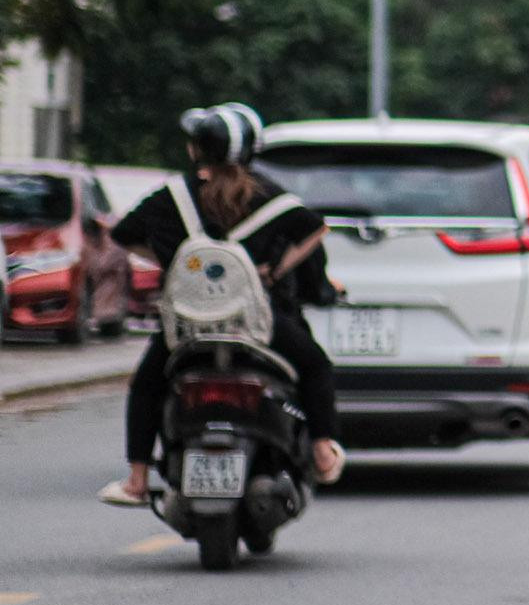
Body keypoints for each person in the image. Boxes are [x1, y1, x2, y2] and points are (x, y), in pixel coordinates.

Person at [98, 104, 345, 505]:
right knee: (314, 365)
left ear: (196, 150)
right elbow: (315, 229)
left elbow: (123, 234)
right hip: (255, 326)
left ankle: (137, 480)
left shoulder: (170, 198)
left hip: (188, 328)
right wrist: (276, 270)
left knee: (147, 385)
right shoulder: (270, 198)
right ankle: (321, 451)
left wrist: (177, 264)